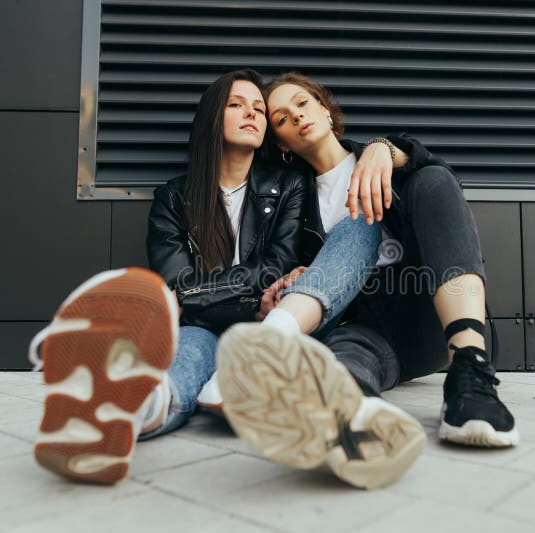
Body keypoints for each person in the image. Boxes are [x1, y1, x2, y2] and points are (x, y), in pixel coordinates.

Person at [27, 69, 413, 485]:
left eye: (259, 110)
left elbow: (274, 267)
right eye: (236, 105)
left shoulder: (288, 186)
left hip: (270, 322)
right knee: (183, 363)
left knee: (356, 227)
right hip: (206, 329)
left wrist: (193, 297)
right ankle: (111, 421)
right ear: (213, 117)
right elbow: (175, 286)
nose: (252, 113)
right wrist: (217, 295)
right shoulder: (174, 199)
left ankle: (279, 381)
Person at [216, 72, 519, 490]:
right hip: (361, 327)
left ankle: (471, 373)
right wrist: (291, 278)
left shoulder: (389, 159)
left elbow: (444, 193)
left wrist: (386, 149)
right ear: (281, 142)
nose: (298, 116)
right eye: (283, 118)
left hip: (429, 310)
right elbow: (295, 267)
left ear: (324, 107)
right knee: (343, 367)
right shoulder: (291, 200)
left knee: (431, 180)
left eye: (303, 103)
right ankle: (350, 419)